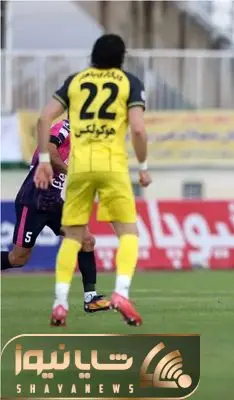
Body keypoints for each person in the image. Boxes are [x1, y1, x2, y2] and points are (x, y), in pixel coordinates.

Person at [33, 34, 152, 326]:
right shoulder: (129, 82)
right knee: (129, 233)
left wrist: (45, 162)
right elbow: (138, 129)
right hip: (112, 165)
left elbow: (43, 118)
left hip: (80, 167)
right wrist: (143, 166)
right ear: (121, 58)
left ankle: (60, 303)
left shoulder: (75, 81)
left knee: (73, 237)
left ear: (93, 56)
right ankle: (121, 293)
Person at [1, 119, 110, 313]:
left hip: (53, 201)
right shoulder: (64, 128)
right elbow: (50, 152)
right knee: (18, 258)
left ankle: (91, 298)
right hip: (33, 199)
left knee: (86, 240)